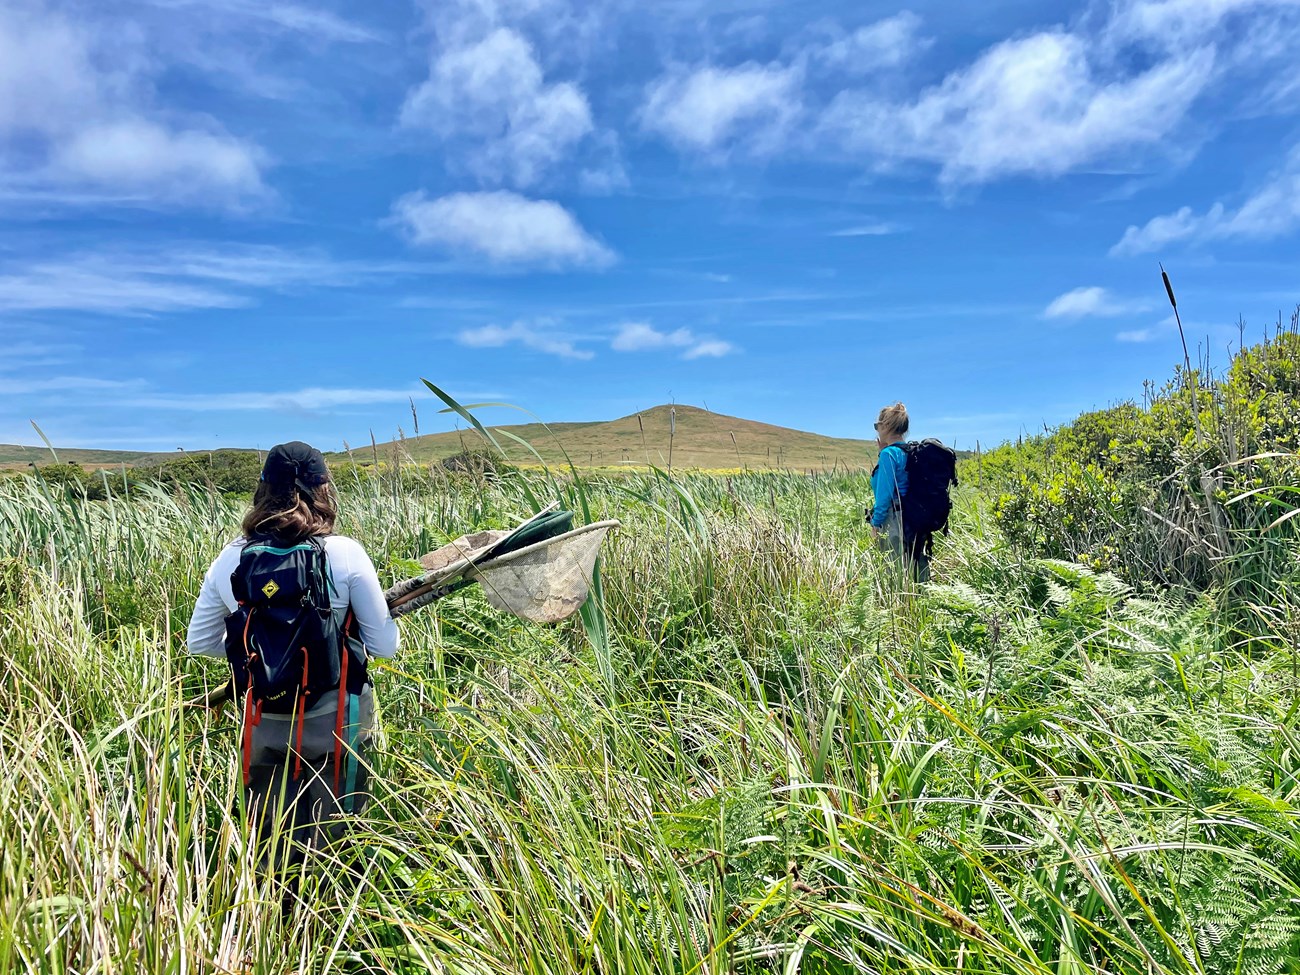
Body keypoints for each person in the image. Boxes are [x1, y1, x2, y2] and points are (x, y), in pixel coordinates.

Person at [187, 441, 399, 867]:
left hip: (264, 719)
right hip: (337, 718)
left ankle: (272, 921)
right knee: (340, 839)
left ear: (263, 488)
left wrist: (260, 657)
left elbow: (201, 642)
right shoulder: (346, 553)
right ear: (324, 489)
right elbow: (384, 648)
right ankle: (332, 920)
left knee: (270, 840)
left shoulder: (231, 558)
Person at [870, 402, 930, 582]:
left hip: (895, 520)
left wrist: (875, 524)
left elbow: (884, 496)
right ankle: (922, 606)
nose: (876, 430)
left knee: (894, 575)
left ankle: (898, 608)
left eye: (877, 426)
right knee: (917, 571)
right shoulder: (912, 451)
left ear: (886, 426)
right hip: (917, 519)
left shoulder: (889, 454)